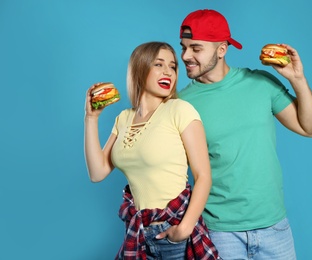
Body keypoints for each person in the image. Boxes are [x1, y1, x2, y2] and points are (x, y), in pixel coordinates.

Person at [175, 9, 312, 260]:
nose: (186, 56)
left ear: (221, 49)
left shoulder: (260, 83)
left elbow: (311, 128)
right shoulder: (181, 104)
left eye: (196, 48)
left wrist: (298, 79)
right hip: (218, 232)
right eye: (184, 47)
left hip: (274, 227)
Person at [84, 41, 219, 259]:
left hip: (172, 232)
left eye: (173, 66)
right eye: (159, 64)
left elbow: (203, 176)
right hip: (137, 233)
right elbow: (97, 172)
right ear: (140, 68)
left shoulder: (180, 110)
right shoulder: (124, 118)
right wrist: (91, 118)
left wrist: (183, 231)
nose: (168, 72)